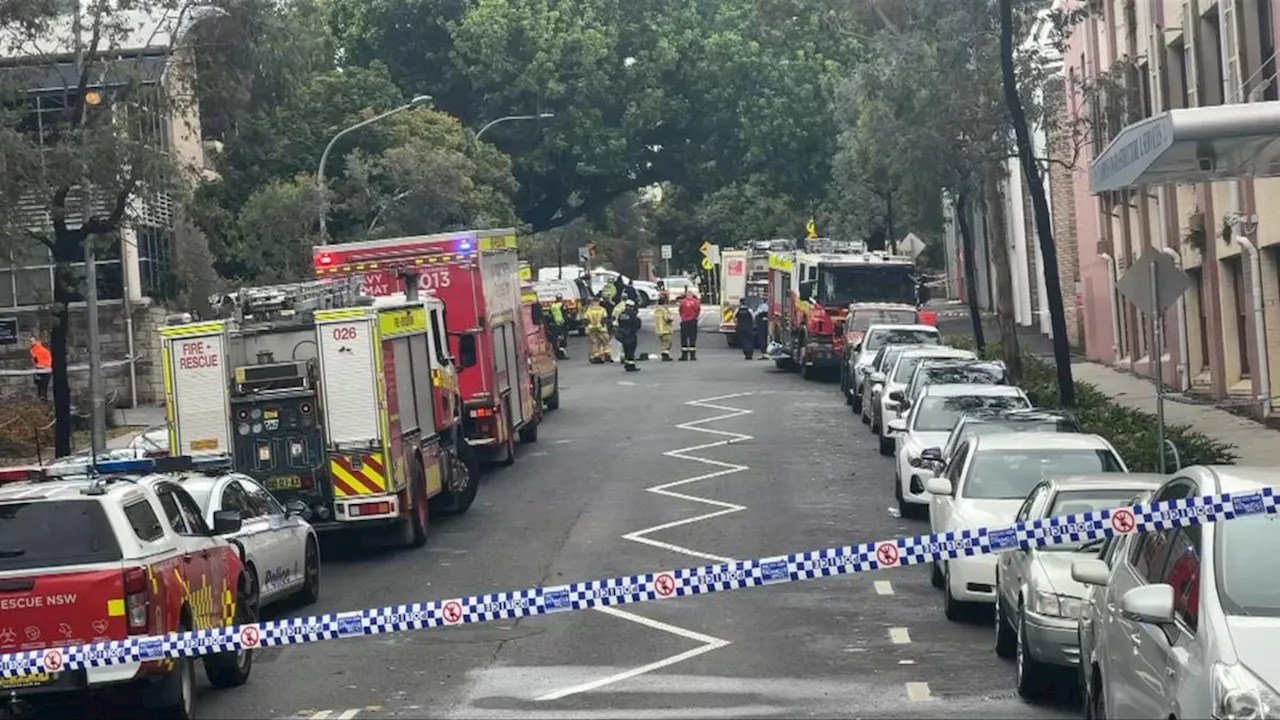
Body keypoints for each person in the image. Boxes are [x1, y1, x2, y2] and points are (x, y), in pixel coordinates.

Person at [615, 299, 642, 372]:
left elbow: (619, 323)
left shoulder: (622, 314)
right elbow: (636, 324)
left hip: (623, 335)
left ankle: (627, 364)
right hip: (631, 334)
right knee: (631, 350)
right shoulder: (632, 314)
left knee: (626, 349)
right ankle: (631, 365)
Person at [583, 296, 610, 363]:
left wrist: (588, 326)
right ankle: (607, 354)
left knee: (595, 343)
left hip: (592, 329)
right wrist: (601, 325)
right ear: (599, 302)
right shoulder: (602, 309)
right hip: (601, 329)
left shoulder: (589, 310)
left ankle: (596, 356)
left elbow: (585, 320)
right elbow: (604, 318)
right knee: (606, 342)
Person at [677, 289, 701, 361]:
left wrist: (683, 317)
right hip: (693, 321)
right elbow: (698, 310)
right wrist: (695, 317)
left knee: (684, 339)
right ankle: (692, 356)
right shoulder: (695, 302)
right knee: (692, 338)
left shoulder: (683, 302)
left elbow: (680, 311)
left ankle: (684, 356)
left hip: (685, 322)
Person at [653, 293, 675, 361]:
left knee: (663, 343)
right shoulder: (664, 310)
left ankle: (664, 354)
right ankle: (665, 356)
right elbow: (667, 318)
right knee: (668, 343)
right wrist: (671, 318)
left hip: (659, 330)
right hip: (666, 329)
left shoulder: (656, 310)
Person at [29, 335, 51, 401]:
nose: (31, 342)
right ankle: (42, 401)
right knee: (40, 388)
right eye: (30, 341)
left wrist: (42, 366)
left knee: (43, 388)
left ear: (36, 341)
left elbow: (46, 360)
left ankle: (43, 402)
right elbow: (35, 360)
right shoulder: (34, 350)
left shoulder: (39, 350)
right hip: (39, 369)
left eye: (32, 341)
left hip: (44, 369)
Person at [548, 294, 568, 359]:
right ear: (561, 298)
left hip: (554, 324)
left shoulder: (552, 306)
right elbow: (565, 314)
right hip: (562, 324)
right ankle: (562, 354)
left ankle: (557, 352)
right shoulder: (562, 305)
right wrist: (567, 323)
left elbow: (550, 315)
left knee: (557, 339)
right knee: (563, 339)